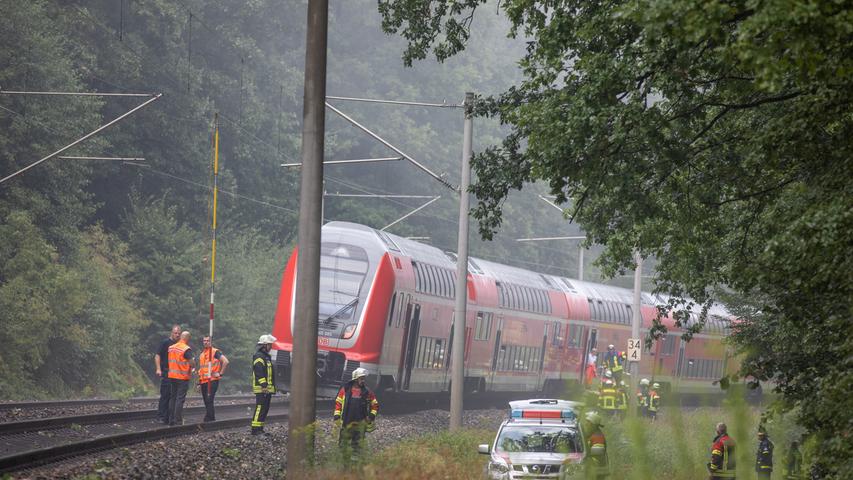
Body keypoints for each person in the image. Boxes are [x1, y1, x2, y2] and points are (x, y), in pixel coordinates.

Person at [334, 367, 379, 461]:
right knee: (343, 442)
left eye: (363, 379)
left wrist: (371, 416)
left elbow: (375, 405)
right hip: (346, 421)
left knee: (357, 444)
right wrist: (337, 416)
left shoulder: (367, 392)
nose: (363, 381)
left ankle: (355, 462)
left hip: (360, 423)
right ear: (355, 379)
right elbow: (338, 402)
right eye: (361, 378)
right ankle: (343, 460)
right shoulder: (345, 390)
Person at [197, 335, 229, 422]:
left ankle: (210, 418)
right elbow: (201, 370)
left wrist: (220, 373)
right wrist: (199, 383)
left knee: (209, 400)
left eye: (207, 341)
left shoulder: (215, 352)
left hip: (212, 380)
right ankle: (210, 417)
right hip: (203, 381)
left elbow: (225, 361)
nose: (206, 342)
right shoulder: (202, 354)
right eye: (204, 341)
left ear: (211, 342)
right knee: (206, 401)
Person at [167, 331, 195, 426]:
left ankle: (171, 420)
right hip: (182, 377)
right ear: (187, 338)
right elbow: (191, 362)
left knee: (173, 398)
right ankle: (178, 420)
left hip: (172, 376)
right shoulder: (186, 349)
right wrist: (194, 365)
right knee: (180, 399)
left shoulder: (171, 348)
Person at [154, 325, 180, 424]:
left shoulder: (179, 344)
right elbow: (157, 355)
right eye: (175, 333)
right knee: (165, 394)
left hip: (176, 374)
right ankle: (161, 416)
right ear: (171, 333)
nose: (177, 335)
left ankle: (169, 416)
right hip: (166, 372)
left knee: (173, 396)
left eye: (178, 333)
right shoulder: (165, 343)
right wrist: (158, 369)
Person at [251, 334, 276, 435]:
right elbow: (259, 372)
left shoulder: (266, 357)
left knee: (265, 409)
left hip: (267, 389)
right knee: (260, 408)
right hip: (262, 389)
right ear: (264, 345)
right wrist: (264, 385)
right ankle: (255, 429)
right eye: (269, 345)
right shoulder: (259, 356)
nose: (271, 347)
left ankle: (260, 428)